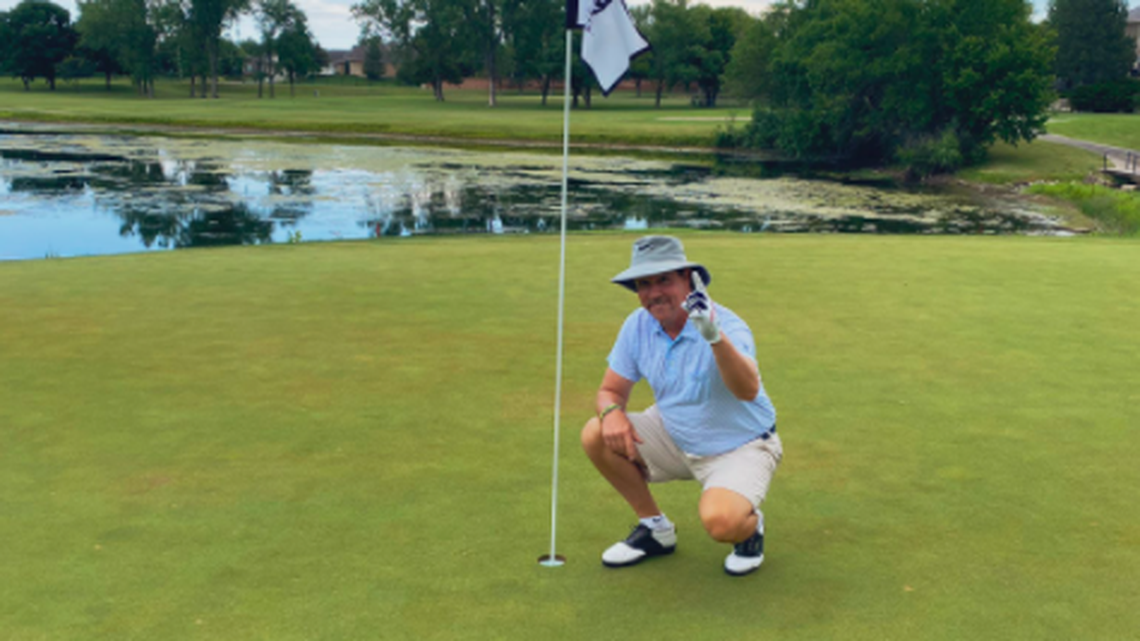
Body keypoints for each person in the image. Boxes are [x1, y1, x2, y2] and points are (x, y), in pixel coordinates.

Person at [581, 235, 782, 577]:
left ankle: (750, 531)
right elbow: (610, 390)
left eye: (664, 280)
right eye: (644, 284)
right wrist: (611, 412)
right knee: (595, 432)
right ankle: (655, 529)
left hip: (740, 445)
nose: (654, 292)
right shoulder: (637, 325)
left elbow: (747, 390)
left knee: (723, 522)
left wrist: (713, 336)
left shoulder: (727, 325)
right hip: (675, 435)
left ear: (689, 280)